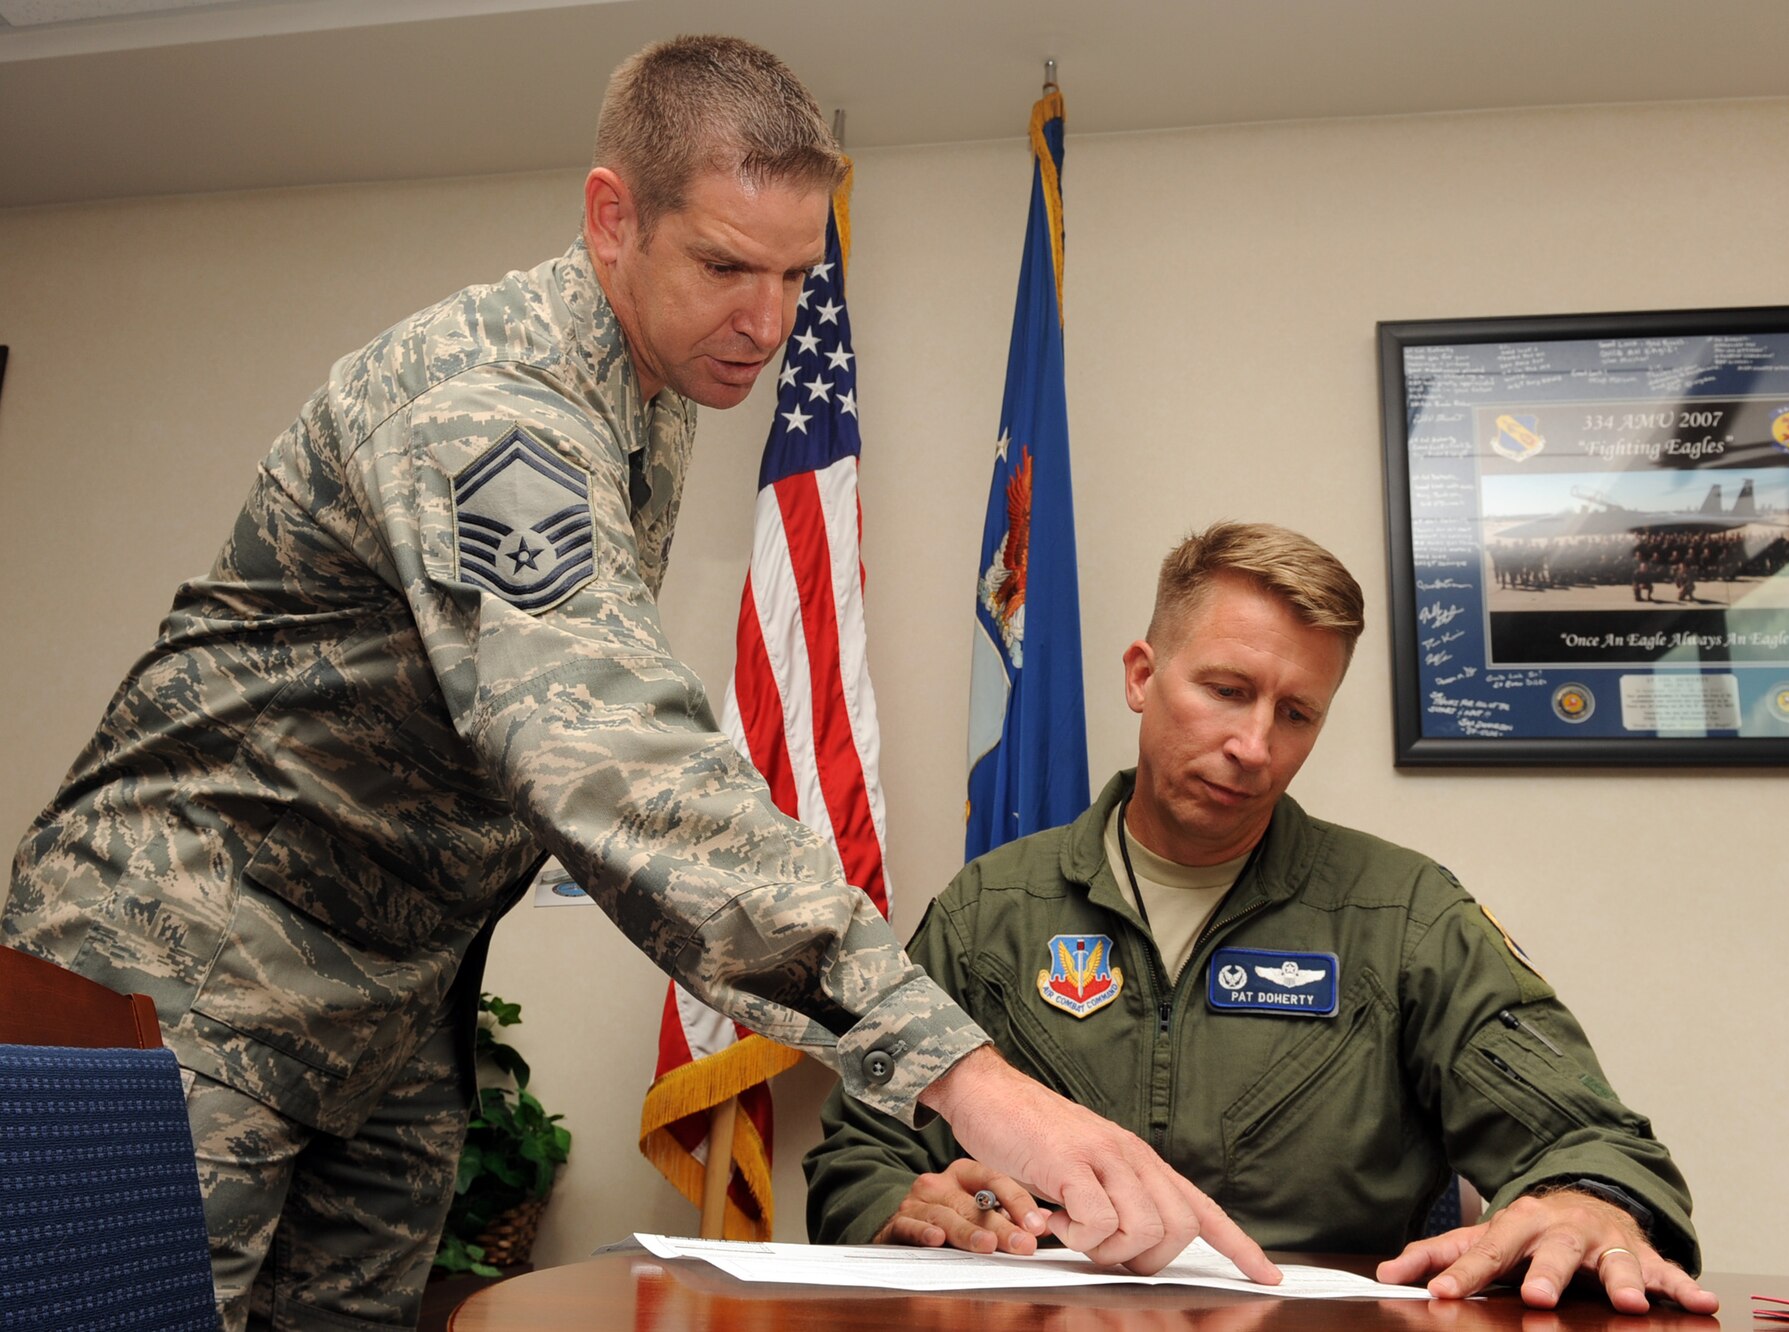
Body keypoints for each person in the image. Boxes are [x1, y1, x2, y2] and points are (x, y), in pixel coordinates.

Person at [1, 37, 1272, 1331]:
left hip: (386, 997)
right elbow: (615, 760)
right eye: (726, 266)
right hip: (183, 964)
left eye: (796, 276)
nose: (769, 326)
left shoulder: (654, 393)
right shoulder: (493, 407)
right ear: (613, 218)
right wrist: (961, 1073)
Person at [805, 522, 1718, 1315]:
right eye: (1227, 690)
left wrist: (1589, 1202)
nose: (1253, 747)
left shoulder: (1403, 916)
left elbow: (1589, 1139)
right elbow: (862, 1148)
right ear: (1141, 675)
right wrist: (899, 1204)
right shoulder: (991, 910)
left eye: (1296, 714)